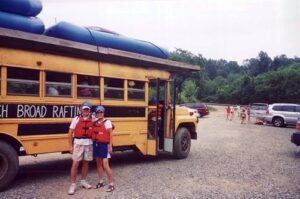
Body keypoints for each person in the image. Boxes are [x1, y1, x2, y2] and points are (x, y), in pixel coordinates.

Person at [68, 101, 94, 195]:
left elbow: (102, 122)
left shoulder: (93, 119)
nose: (86, 111)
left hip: (89, 143)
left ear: (90, 110)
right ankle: (73, 184)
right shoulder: (76, 119)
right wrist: (70, 146)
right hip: (78, 143)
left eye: (87, 109)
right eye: (84, 109)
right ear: (81, 110)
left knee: (86, 163)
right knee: (75, 163)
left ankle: (83, 181)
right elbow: (70, 132)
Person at [92, 105, 115, 192]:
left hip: (104, 145)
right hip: (96, 145)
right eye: (98, 112)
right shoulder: (95, 121)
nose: (99, 113)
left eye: (101, 112)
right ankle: (101, 182)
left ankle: (111, 184)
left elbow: (111, 134)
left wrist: (110, 146)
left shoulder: (107, 122)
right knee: (98, 164)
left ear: (103, 113)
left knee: (105, 165)